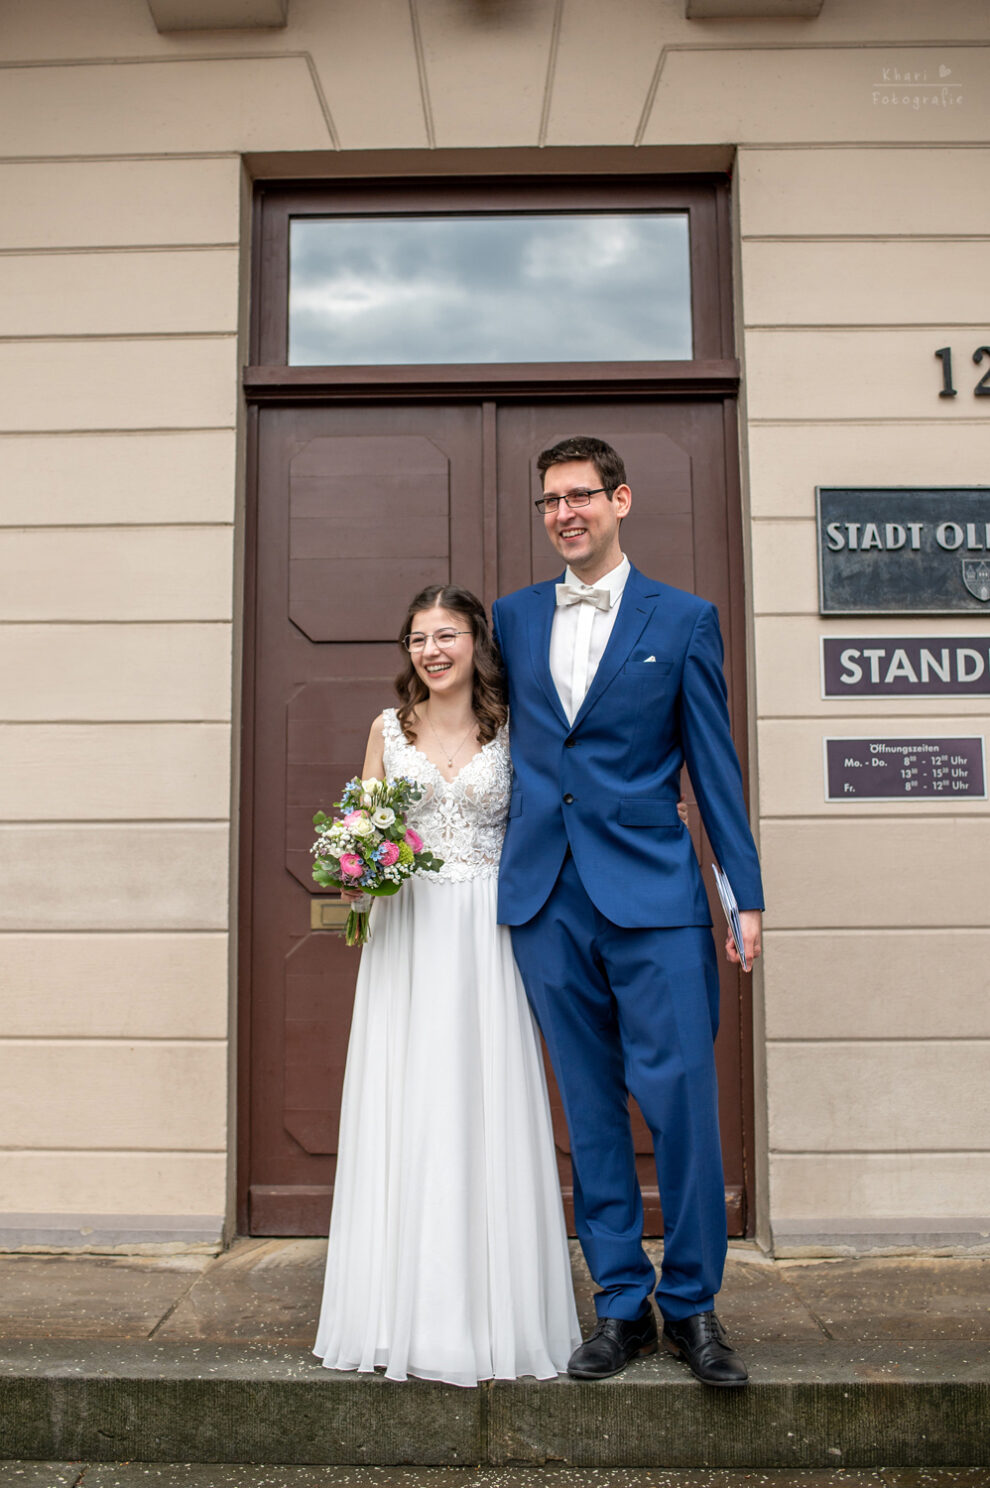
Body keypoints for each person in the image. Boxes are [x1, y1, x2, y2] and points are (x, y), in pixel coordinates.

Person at [492, 435, 764, 1388]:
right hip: (545, 898)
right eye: (550, 502)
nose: (565, 513)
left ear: (621, 500)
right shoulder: (513, 619)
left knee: (682, 1102)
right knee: (591, 1111)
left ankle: (691, 1305)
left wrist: (743, 896)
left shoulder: (684, 619)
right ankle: (619, 1306)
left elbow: (715, 768)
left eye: (581, 496)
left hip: (656, 897)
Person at [313, 584, 580, 1387]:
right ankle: (399, 1309)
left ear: (476, 645)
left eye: (448, 634)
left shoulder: (514, 730)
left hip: (488, 931)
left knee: (481, 1099)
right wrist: (354, 874)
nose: (432, 650)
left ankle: (497, 1311)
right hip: (409, 934)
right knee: (409, 1101)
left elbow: (549, 818)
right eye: (418, 638)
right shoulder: (386, 731)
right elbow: (359, 830)